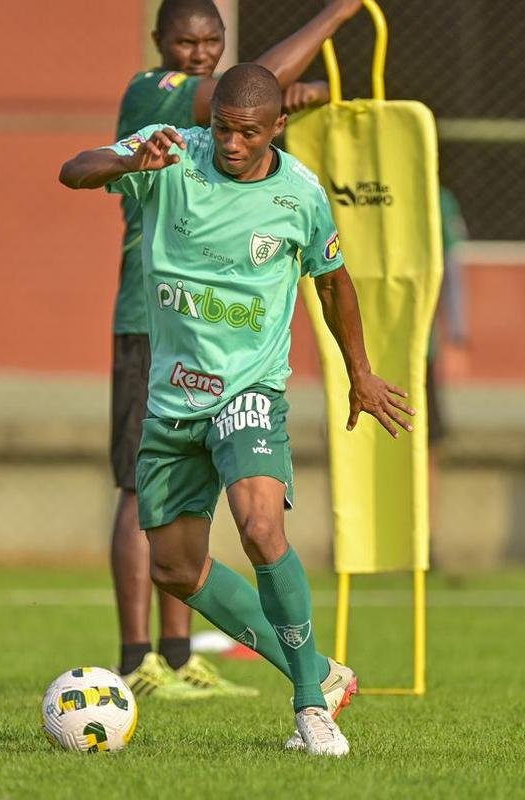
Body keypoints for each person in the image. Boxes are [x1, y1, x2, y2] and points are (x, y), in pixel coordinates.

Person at [60, 63, 415, 756]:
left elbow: (333, 282)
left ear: (277, 126)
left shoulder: (299, 194)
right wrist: (128, 160)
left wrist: (361, 374)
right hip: (172, 401)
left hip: (250, 392)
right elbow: (74, 171)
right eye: (222, 128)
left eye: (248, 133)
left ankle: (310, 706)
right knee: (174, 568)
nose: (231, 143)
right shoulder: (170, 152)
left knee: (259, 525)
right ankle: (321, 671)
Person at [107, 0, 364, 701]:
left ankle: (180, 655)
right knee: (139, 494)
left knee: (252, 522)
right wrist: (335, 15)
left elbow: (252, 96)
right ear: (158, 42)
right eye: (184, 41)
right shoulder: (154, 94)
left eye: (211, 41)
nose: (197, 53)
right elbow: (249, 86)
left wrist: (280, 103)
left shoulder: (265, 158)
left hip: (237, 361)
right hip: (154, 326)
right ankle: (137, 657)